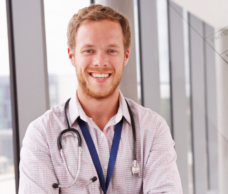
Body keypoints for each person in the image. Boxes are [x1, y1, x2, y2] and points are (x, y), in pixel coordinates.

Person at [18, 4, 182, 194]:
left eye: (111, 51)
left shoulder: (153, 130)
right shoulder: (42, 135)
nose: (100, 62)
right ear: (72, 56)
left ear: (126, 55)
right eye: (89, 51)